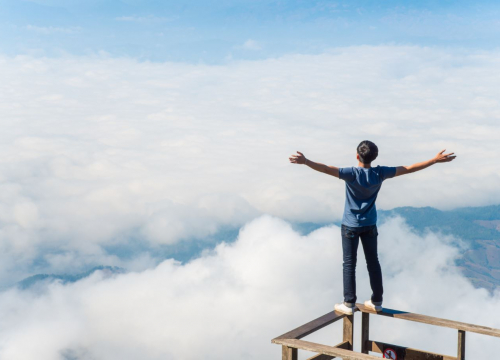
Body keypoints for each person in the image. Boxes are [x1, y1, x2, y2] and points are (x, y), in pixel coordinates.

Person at [288, 141, 456, 314]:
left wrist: (306, 161)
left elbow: (325, 168)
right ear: (375, 157)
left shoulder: (351, 174)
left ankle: (349, 303)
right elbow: (408, 168)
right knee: (373, 262)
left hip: (350, 225)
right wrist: (434, 160)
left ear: (357, 155)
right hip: (370, 224)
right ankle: (377, 301)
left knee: (349, 264)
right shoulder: (380, 173)